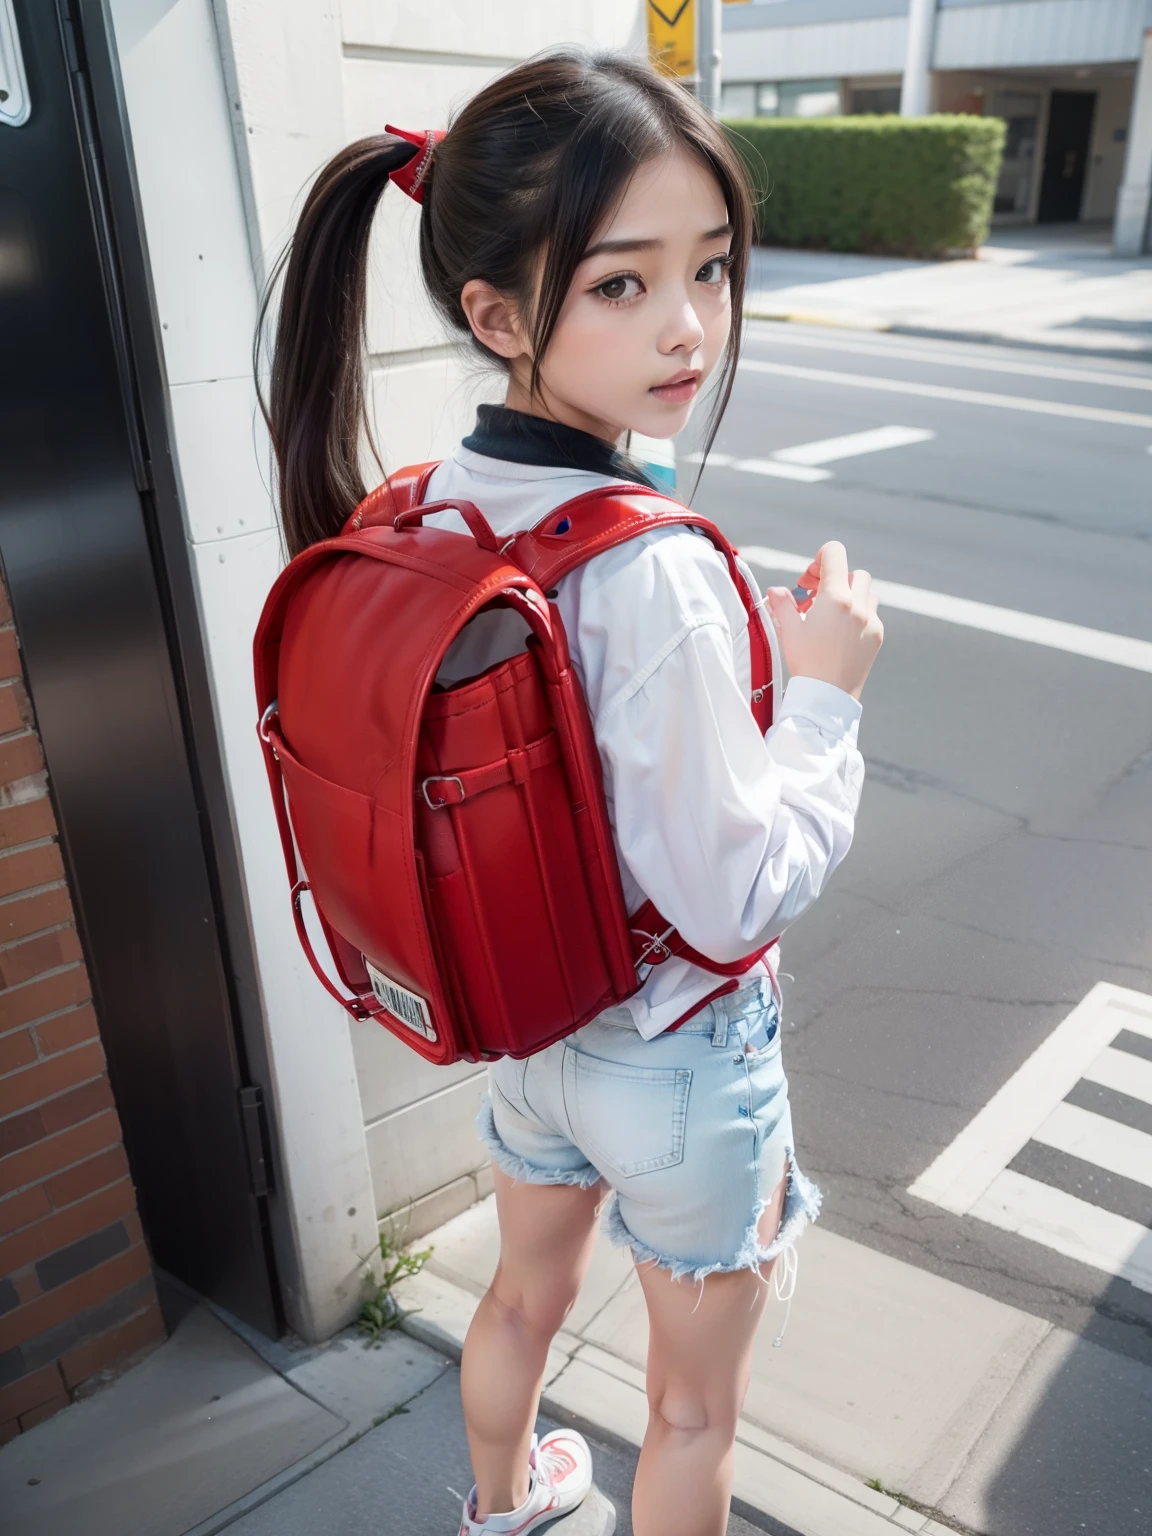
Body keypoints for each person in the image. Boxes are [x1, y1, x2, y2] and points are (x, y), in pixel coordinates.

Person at [260, 48, 882, 1536]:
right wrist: (824, 696)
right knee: (688, 1412)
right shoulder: (654, 567)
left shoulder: (433, 503)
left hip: (529, 1030)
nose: (686, 325)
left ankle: (504, 1505)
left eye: (712, 269)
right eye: (619, 284)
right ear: (494, 314)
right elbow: (729, 897)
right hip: (675, 1056)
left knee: (523, 1305)